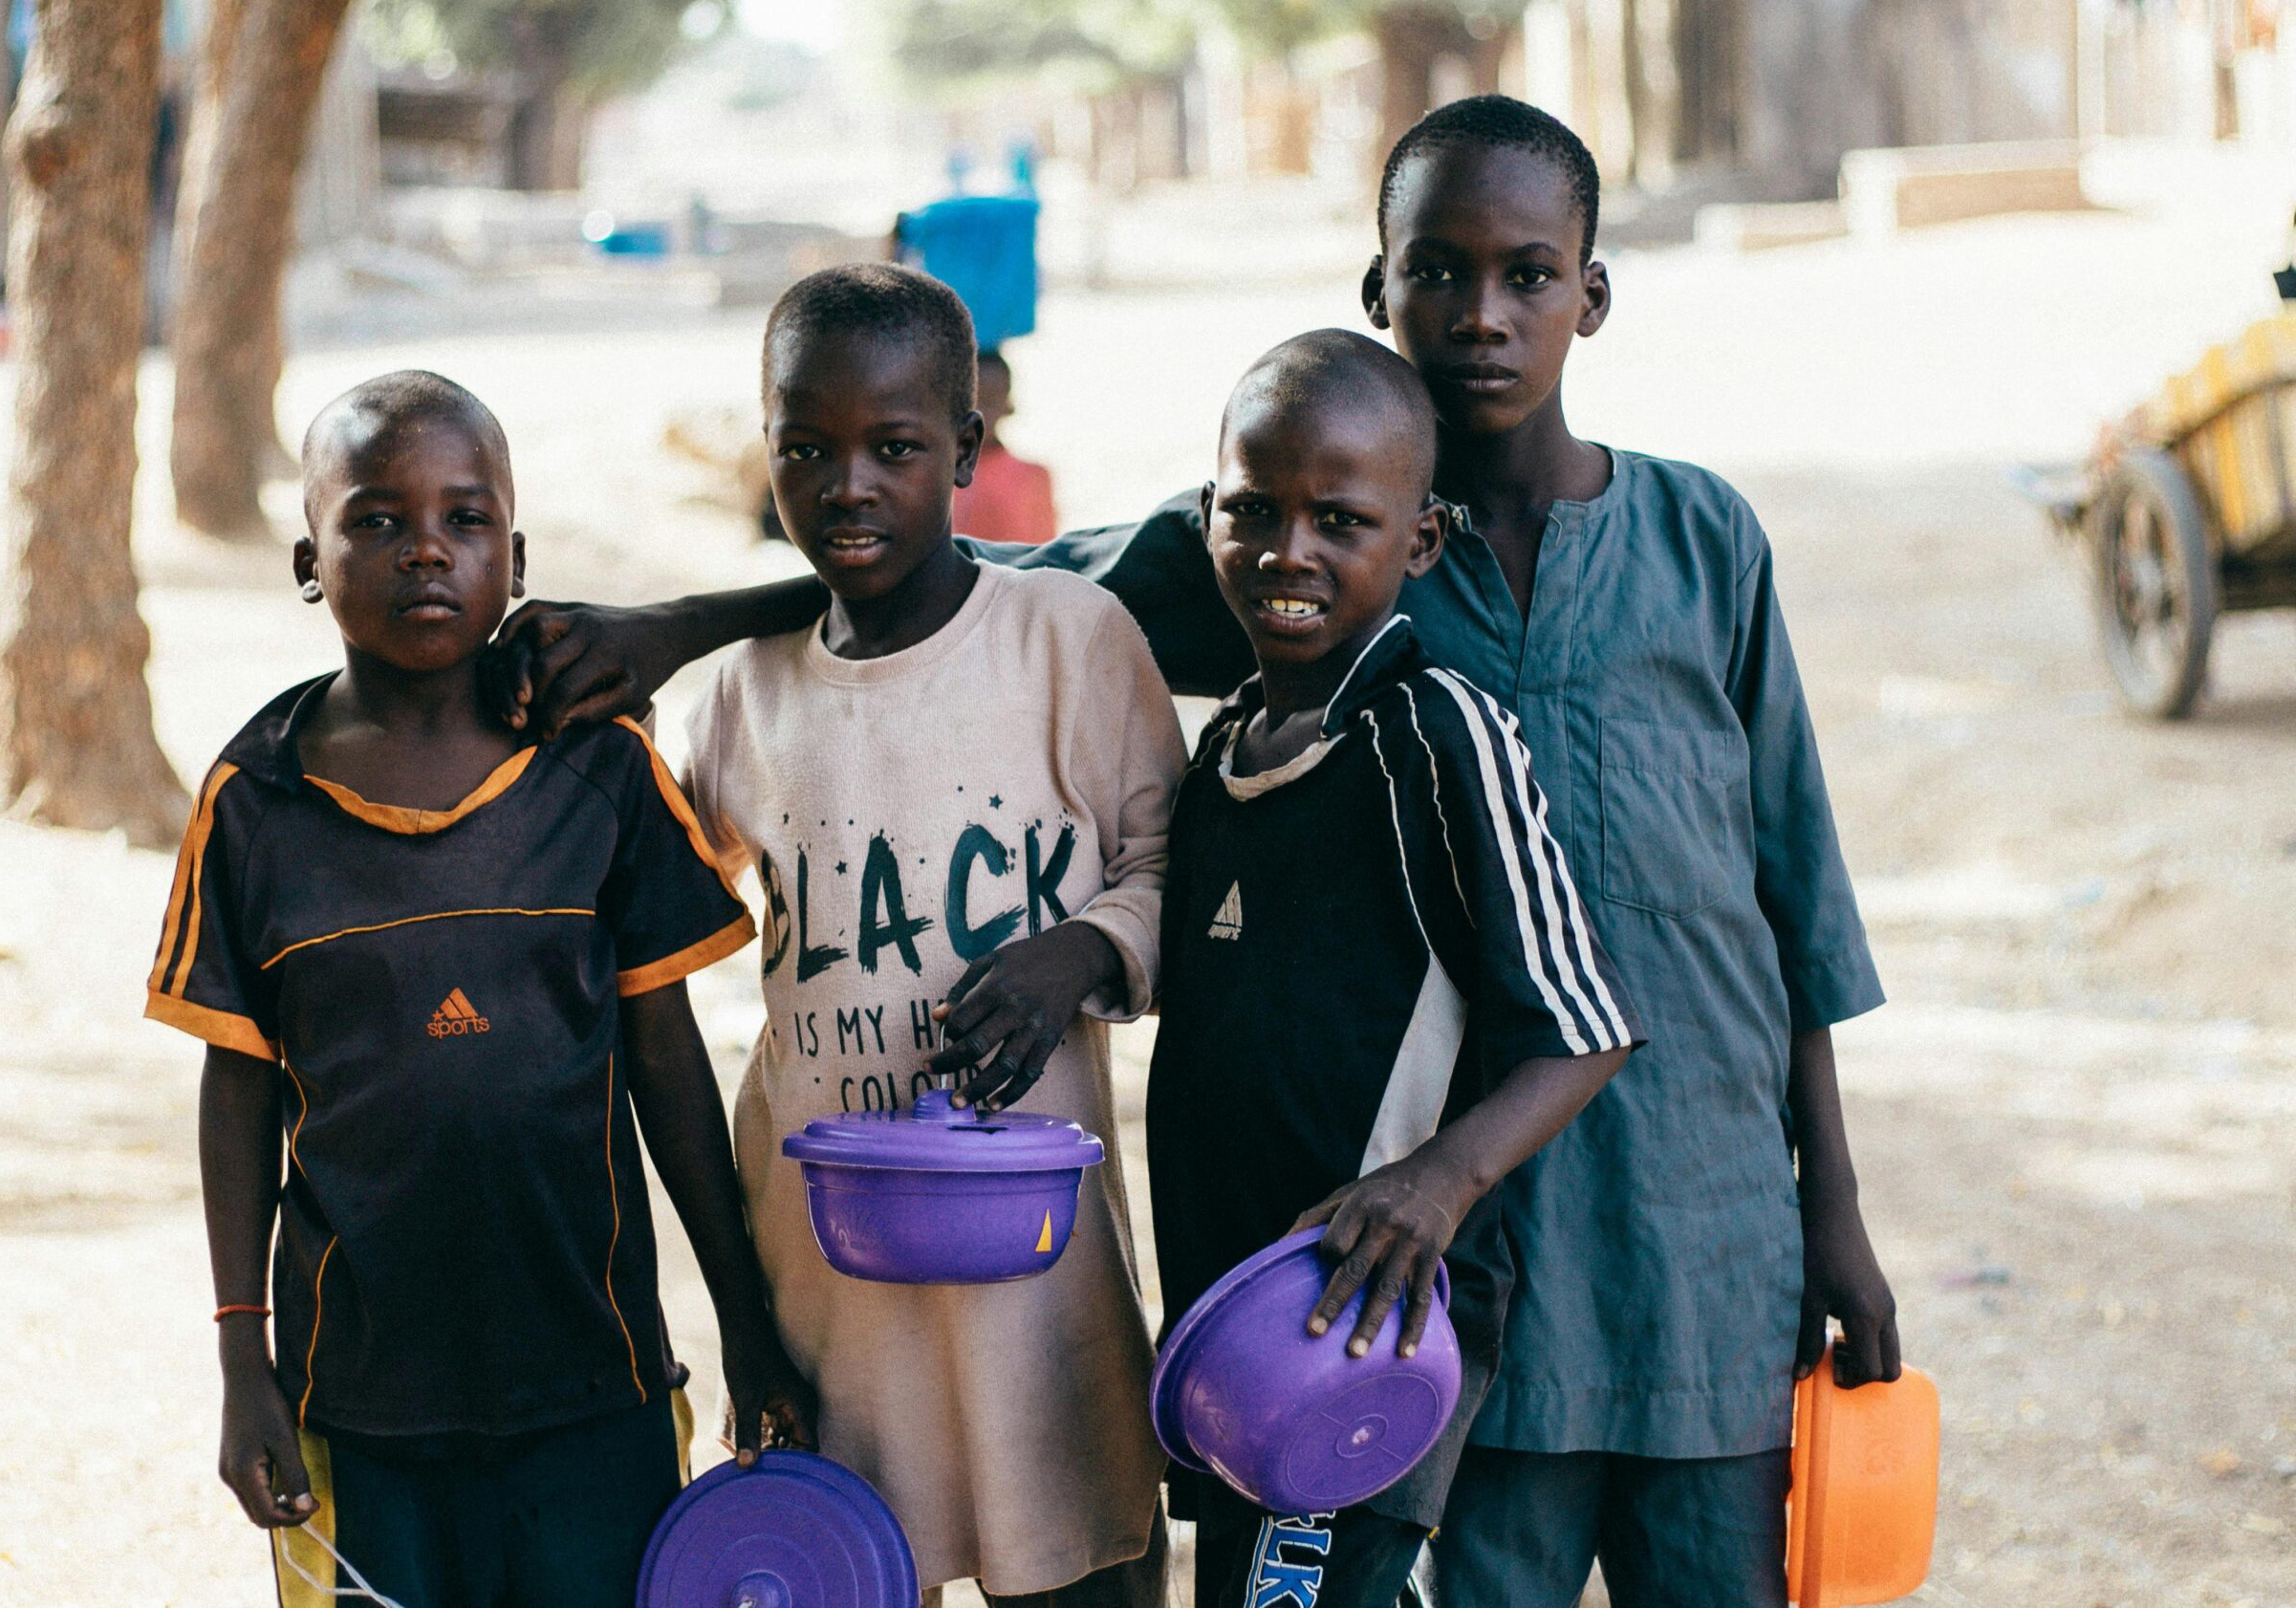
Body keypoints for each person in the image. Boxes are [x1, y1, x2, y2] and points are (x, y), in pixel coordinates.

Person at [493, 94, 1898, 1607]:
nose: (1479, 315)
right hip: (1429, 1260)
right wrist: (682, 625)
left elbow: (1789, 892)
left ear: (1591, 291)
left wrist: (1838, 1209)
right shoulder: (1250, 535)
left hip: (1705, 1213)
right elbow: (933, 567)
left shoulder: (1705, 540)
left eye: (1527, 275)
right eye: (1435, 271)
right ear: (1379, 286)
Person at [147, 370, 813, 1608]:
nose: (426, 553)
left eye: (465, 519)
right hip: (358, 1397)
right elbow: (235, 1088)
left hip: (594, 1381)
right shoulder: (256, 800)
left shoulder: (597, 769)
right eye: (378, 520)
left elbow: (667, 1062)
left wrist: (748, 1319)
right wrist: (243, 1357)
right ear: (309, 558)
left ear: (517, 554)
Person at [680, 264, 1180, 1607]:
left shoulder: (1070, 641)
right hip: (827, 1281)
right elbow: (657, 917)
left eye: (895, 447)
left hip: (1040, 1286)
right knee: (850, 1565)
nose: (849, 485)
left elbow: (1176, 867)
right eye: (807, 448)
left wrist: (1080, 950)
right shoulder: (743, 694)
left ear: (966, 447)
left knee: (1077, 1561)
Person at [1150, 330, 1638, 1608]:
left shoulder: (1439, 730)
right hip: (1238, 1321)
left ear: (1418, 541)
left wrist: (1436, 1181)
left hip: (1369, 1320)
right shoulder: (1217, 757)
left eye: (1340, 518)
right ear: (1210, 514)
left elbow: (1583, 1024)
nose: (1288, 549)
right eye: (1253, 509)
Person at [950, 351, 1059, 545]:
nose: (981, 413)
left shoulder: (1033, 477)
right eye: (974, 401)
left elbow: (1043, 553)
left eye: (991, 400)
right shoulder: (933, 475)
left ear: (1007, 404)